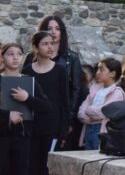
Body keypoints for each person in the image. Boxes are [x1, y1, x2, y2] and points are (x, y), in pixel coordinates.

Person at [24, 15, 83, 151]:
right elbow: (25, 85)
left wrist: (67, 120)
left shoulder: (71, 58)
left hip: (57, 116)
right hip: (33, 116)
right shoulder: (30, 57)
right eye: (49, 28)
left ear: (62, 32)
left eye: (57, 28)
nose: (53, 32)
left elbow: (75, 90)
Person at [22, 31, 69, 175]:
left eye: (52, 43)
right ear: (35, 48)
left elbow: (64, 101)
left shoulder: (60, 70)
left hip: (51, 126)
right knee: (30, 167)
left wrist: (63, 131)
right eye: (45, 44)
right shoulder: (27, 70)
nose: (50, 47)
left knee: (46, 168)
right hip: (31, 126)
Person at [0, 42, 50, 175]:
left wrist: (27, 98)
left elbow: (46, 106)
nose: (15, 57)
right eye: (10, 54)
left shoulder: (29, 81)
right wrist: (8, 115)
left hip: (22, 136)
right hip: (1, 136)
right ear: (2, 57)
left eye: (19, 54)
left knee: (21, 170)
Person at [77, 58, 125, 150]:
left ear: (112, 74)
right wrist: (91, 116)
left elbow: (105, 111)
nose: (97, 72)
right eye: (97, 69)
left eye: (101, 69)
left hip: (102, 130)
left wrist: (89, 110)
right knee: (87, 154)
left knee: (97, 154)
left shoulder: (117, 93)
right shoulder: (94, 89)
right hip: (89, 128)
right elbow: (81, 111)